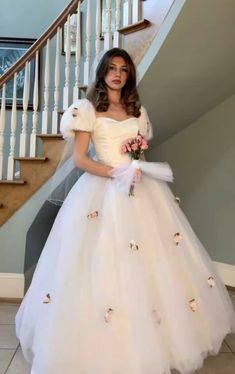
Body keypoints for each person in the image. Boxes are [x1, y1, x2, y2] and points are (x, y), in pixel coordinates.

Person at [15, 48, 235, 374]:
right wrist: (116, 173)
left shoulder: (138, 110)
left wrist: (136, 170)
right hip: (101, 192)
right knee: (102, 263)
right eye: (112, 68)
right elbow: (81, 160)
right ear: (103, 72)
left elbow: (138, 157)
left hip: (142, 192)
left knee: (153, 264)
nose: (118, 74)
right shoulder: (87, 110)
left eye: (123, 69)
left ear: (129, 75)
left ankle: (155, 338)